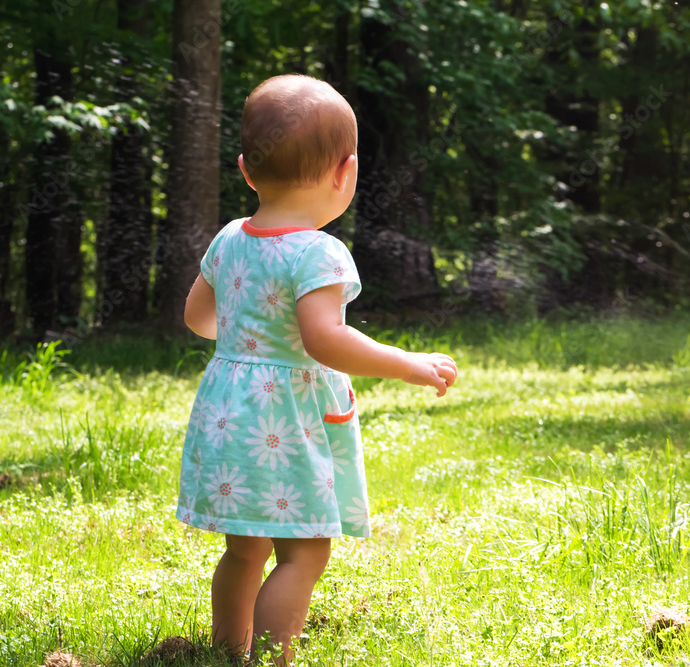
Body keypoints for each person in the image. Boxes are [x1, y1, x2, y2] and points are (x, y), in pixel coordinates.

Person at [177, 73, 458, 665]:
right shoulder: (318, 251)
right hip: (285, 419)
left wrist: (247, 333)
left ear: (247, 171)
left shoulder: (230, 238)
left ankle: (230, 655)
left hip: (230, 412)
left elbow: (200, 319)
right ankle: (271, 660)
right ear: (345, 172)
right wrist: (407, 365)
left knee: (244, 551)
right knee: (302, 554)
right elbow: (325, 340)